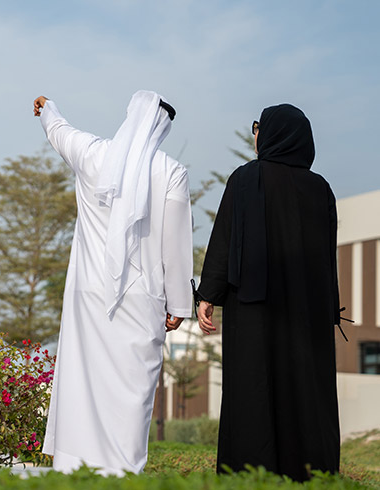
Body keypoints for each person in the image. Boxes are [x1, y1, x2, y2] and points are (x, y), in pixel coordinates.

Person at [33, 90, 193, 476]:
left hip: (88, 298)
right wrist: (178, 305)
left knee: (83, 387)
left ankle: (74, 471)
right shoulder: (171, 171)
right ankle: (123, 472)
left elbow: (60, 132)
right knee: (131, 396)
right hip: (142, 301)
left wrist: (47, 108)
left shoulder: (93, 153)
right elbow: (174, 247)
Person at [196, 104, 341, 482]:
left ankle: (250, 474)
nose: (256, 134)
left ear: (276, 133)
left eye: (259, 127)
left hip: (254, 311)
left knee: (254, 388)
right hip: (307, 314)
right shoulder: (321, 189)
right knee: (306, 391)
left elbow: (225, 237)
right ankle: (311, 475)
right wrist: (330, 310)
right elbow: (329, 259)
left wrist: (208, 294)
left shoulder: (245, 178)